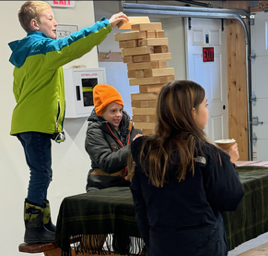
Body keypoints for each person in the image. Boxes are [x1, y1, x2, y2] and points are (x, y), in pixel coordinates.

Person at [8, 0, 129, 244]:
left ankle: (42, 223)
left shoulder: (24, 54)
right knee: (41, 174)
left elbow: (18, 91)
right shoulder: (42, 48)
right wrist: (105, 25)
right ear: (34, 24)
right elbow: (73, 45)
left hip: (26, 123)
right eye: (50, 18)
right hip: (34, 124)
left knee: (42, 173)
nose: (55, 22)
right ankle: (34, 228)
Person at [128, 80, 244, 256]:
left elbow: (141, 210)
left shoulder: (146, 155)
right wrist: (228, 162)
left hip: (161, 246)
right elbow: (230, 198)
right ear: (193, 112)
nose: (207, 111)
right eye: (205, 105)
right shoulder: (209, 154)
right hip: (202, 247)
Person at [85, 84, 142, 192]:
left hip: (128, 186)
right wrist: (134, 146)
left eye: (120, 110)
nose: (119, 115)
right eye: (113, 111)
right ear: (101, 112)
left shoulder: (131, 128)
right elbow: (106, 163)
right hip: (102, 188)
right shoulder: (94, 132)